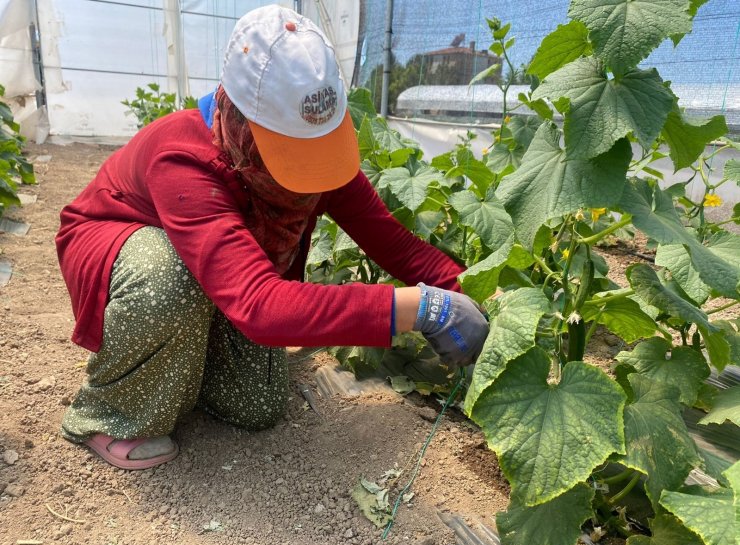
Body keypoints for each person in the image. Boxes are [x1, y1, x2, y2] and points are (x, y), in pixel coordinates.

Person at [55, 4, 489, 470]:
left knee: (257, 405)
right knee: (170, 280)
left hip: (211, 262)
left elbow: (395, 244)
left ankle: (180, 362)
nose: (310, 175)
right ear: (240, 119)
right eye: (290, 150)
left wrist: (478, 290)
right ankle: (109, 414)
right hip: (121, 241)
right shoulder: (182, 157)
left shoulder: (322, 158)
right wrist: (422, 308)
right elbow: (260, 306)